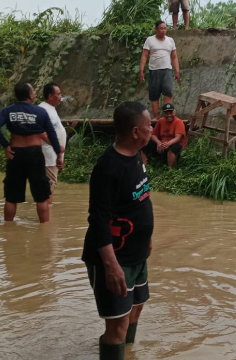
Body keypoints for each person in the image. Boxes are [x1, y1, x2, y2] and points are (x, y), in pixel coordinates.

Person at [82, 101, 154, 360]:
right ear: (135, 132)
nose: (152, 129)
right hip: (115, 258)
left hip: (137, 255)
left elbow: (141, 200)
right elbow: (98, 220)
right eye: (149, 125)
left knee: (136, 308)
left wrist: (147, 238)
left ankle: (127, 353)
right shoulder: (108, 168)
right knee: (117, 324)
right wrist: (111, 266)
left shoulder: (136, 155)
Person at [0, 81, 62, 223]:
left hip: (15, 154)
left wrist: (6, 145)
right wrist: (58, 154)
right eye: (33, 91)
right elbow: (52, 135)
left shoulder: (8, 111)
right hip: (35, 154)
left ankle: (8, 229)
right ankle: (44, 229)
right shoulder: (40, 112)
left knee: (11, 197)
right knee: (41, 197)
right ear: (30, 95)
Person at [138, 21, 181, 119]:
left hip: (167, 71)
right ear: (156, 29)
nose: (163, 30)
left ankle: (166, 115)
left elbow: (174, 57)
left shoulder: (170, 40)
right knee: (154, 95)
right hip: (154, 71)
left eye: (165, 28)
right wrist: (141, 70)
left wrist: (177, 71)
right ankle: (156, 117)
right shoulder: (150, 40)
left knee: (168, 93)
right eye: (161, 28)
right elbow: (144, 56)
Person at [39, 82, 66, 205]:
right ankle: (47, 213)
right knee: (49, 186)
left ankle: (46, 210)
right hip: (48, 156)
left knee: (49, 185)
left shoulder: (50, 109)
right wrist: (56, 147)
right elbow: (40, 132)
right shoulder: (43, 110)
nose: (61, 96)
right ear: (50, 96)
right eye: (58, 94)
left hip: (53, 155)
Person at [141, 103, 187, 168]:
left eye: (171, 113)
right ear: (163, 113)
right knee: (145, 142)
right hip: (162, 145)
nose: (169, 115)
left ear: (174, 112)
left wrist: (168, 144)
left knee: (173, 147)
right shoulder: (161, 121)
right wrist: (158, 142)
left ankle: (170, 168)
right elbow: (153, 135)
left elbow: (178, 138)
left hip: (174, 144)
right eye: (166, 113)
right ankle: (144, 165)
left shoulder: (178, 122)